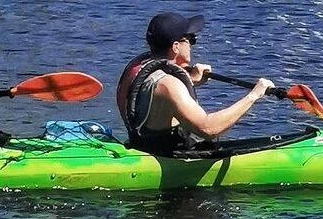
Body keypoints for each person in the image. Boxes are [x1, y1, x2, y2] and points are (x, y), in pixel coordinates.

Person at [116, 11, 274, 155]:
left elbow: (154, 97)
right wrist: (254, 95)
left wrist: (190, 80)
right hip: (166, 156)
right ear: (175, 47)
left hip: (142, 146)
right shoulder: (168, 85)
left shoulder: (139, 65)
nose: (192, 44)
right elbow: (208, 129)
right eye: (191, 39)